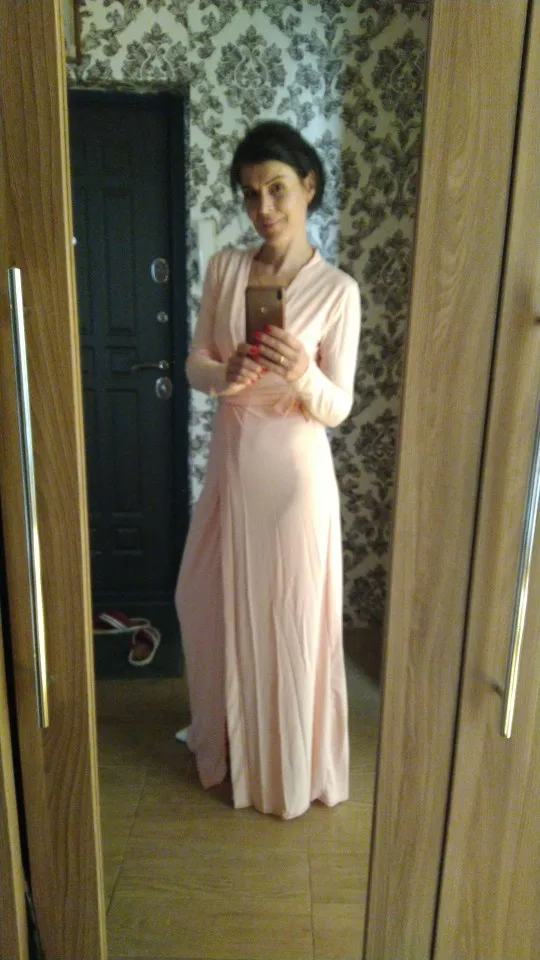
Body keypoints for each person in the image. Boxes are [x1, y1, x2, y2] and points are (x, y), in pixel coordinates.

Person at [174, 120, 361, 820]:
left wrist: (304, 373)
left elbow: (337, 407)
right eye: (251, 194)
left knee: (287, 621)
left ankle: (285, 768)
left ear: (308, 187)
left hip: (294, 479)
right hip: (232, 469)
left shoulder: (337, 291)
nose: (264, 208)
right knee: (202, 599)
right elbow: (194, 362)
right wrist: (224, 373)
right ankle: (230, 744)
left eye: (277, 189)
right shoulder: (226, 269)